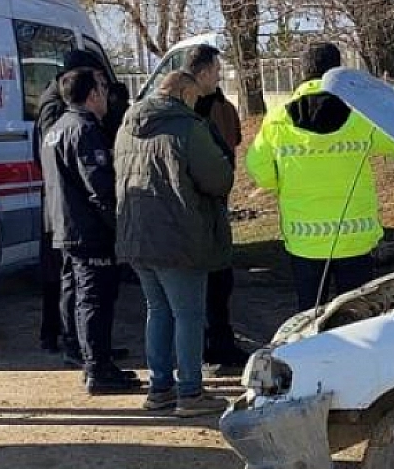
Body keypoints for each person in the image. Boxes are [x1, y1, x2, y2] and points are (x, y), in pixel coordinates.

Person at [246, 43, 394, 312]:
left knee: (310, 316)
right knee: (358, 316)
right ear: (338, 70)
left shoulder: (276, 120)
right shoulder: (360, 114)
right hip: (355, 239)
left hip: (304, 240)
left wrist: (282, 184)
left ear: (302, 71)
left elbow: (259, 170)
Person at [114, 72, 234, 416]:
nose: (196, 104)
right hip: (179, 236)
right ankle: (190, 392)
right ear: (183, 93)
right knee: (188, 315)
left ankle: (160, 388)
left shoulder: (126, 127)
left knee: (157, 310)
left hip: (137, 234)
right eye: (194, 97)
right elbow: (218, 179)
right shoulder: (188, 128)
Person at [41, 68, 142, 395]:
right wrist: (120, 226)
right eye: (102, 88)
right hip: (89, 230)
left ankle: (96, 361)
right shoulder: (83, 130)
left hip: (66, 226)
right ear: (92, 94)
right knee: (95, 298)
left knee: (83, 295)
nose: (107, 95)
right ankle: (97, 368)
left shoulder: (56, 129)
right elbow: (99, 187)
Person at [181, 44, 248, 371]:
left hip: (218, 204)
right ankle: (204, 347)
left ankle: (221, 342)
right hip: (194, 210)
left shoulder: (223, 107)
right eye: (217, 70)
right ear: (204, 71)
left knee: (221, 281)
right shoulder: (185, 112)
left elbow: (233, 143)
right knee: (200, 285)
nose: (220, 76)